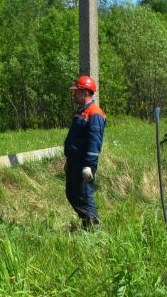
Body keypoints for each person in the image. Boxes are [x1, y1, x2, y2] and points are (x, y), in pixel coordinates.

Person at [64, 75, 105, 228]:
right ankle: (87, 223)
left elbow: (95, 142)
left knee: (84, 195)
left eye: (77, 91)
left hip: (84, 163)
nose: (74, 93)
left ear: (86, 92)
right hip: (74, 161)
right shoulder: (81, 112)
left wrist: (88, 165)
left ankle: (93, 226)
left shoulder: (95, 113)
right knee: (72, 193)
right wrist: (68, 160)